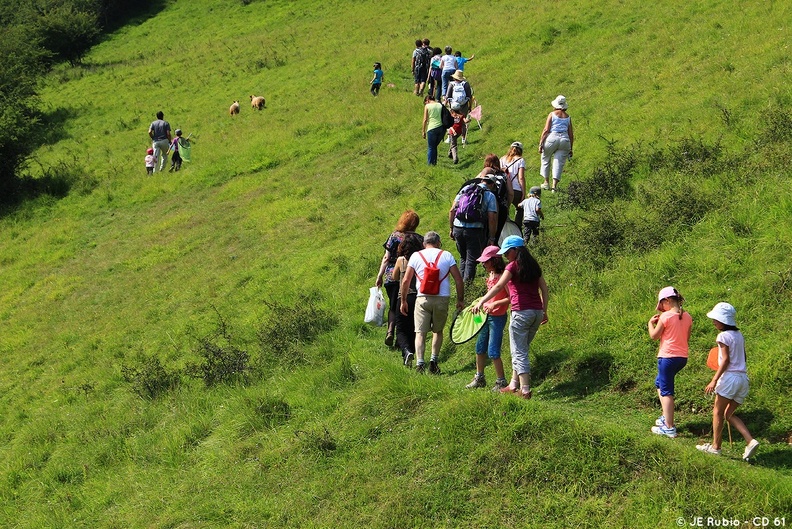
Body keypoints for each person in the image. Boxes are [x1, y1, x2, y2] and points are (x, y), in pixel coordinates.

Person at [472, 236, 548, 399]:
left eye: (507, 252)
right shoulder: (534, 266)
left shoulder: (512, 267)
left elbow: (499, 285)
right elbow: (545, 289)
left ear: (515, 251)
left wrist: (482, 301)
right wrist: (545, 311)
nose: (506, 255)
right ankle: (514, 383)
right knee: (522, 348)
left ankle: (525, 390)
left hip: (521, 313)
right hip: (536, 312)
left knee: (519, 352)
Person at [696, 303, 759, 460]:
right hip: (743, 379)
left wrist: (714, 379)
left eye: (716, 319)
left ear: (723, 321)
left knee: (717, 412)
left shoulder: (722, 336)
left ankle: (716, 447)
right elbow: (743, 358)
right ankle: (750, 441)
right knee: (728, 414)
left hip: (730, 378)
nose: (714, 322)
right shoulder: (739, 335)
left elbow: (725, 360)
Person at [399, 231, 465, 374]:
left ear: (424, 244)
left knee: (420, 333)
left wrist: (403, 300)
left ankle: (420, 363)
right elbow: (458, 279)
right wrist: (460, 299)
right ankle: (433, 362)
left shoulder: (416, 256)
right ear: (438, 243)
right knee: (437, 331)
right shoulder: (446, 255)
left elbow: (405, 280)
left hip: (422, 298)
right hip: (442, 298)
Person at [648, 286, 692, 438]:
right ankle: (666, 417)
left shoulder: (666, 317)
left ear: (667, 301)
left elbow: (654, 336)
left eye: (662, 305)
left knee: (666, 391)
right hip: (682, 358)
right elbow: (686, 338)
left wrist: (650, 323)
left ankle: (669, 427)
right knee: (659, 383)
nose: (661, 309)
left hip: (667, 358)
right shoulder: (687, 316)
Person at [466, 245, 509, 391]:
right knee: (479, 347)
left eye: (486, 261)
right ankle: (479, 377)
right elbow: (488, 296)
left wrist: (495, 303)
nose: (483, 264)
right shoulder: (490, 276)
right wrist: (478, 305)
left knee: (493, 351)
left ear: (495, 260)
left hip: (498, 318)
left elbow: (511, 298)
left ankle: (501, 381)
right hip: (485, 317)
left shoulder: (504, 277)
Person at [376, 210, 421, 348]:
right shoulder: (419, 238)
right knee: (407, 305)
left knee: (393, 306)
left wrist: (379, 275)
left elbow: (386, 257)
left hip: (392, 275)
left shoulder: (394, 236)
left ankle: (390, 331)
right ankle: (403, 339)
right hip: (410, 275)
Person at [449, 174, 498, 283]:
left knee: (463, 258)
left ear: (482, 180)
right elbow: (492, 219)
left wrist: (451, 228)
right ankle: (466, 289)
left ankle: (460, 286)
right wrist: (492, 237)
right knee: (471, 260)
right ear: (492, 184)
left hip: (458, 227)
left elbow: (452, 210)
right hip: (474, 230)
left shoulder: (466, 189)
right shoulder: (490, 195)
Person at [390, 233, 424, 366]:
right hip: (418, 296)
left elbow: (394, 277)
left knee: (401, 329)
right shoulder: (421, 260)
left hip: (403, 297)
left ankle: (406, 350)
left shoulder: (401, 260)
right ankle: (412, 353)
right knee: (415, 328)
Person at [539, 95, 574, 193]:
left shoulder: (552, 114)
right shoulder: (568, 117)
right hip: (565, 140)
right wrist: (571, 148)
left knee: (545, 158)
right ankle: (554, 186)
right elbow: (571, 134)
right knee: (559, 162)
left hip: (552, 138)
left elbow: (546, 129)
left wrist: (541, 143)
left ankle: (546, 182)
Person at [501, 142, 527, 225]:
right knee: (520, 208)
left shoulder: (501, 159)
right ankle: (517, 227)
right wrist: (523, 193)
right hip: (515, 189)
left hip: (504, 189)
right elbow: (521, 178)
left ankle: (504, 226)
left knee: (504, 209)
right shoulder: (520, 160)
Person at [422, 96, 445, 165]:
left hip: (432, 128)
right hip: (441, 128)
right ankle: (434, 163)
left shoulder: (427, 106)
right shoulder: (440, 105)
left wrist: (423, 131)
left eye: (425, 102)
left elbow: (425, 119)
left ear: (427, 100)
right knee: (434, 146)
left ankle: (430, 164)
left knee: (431, 147)